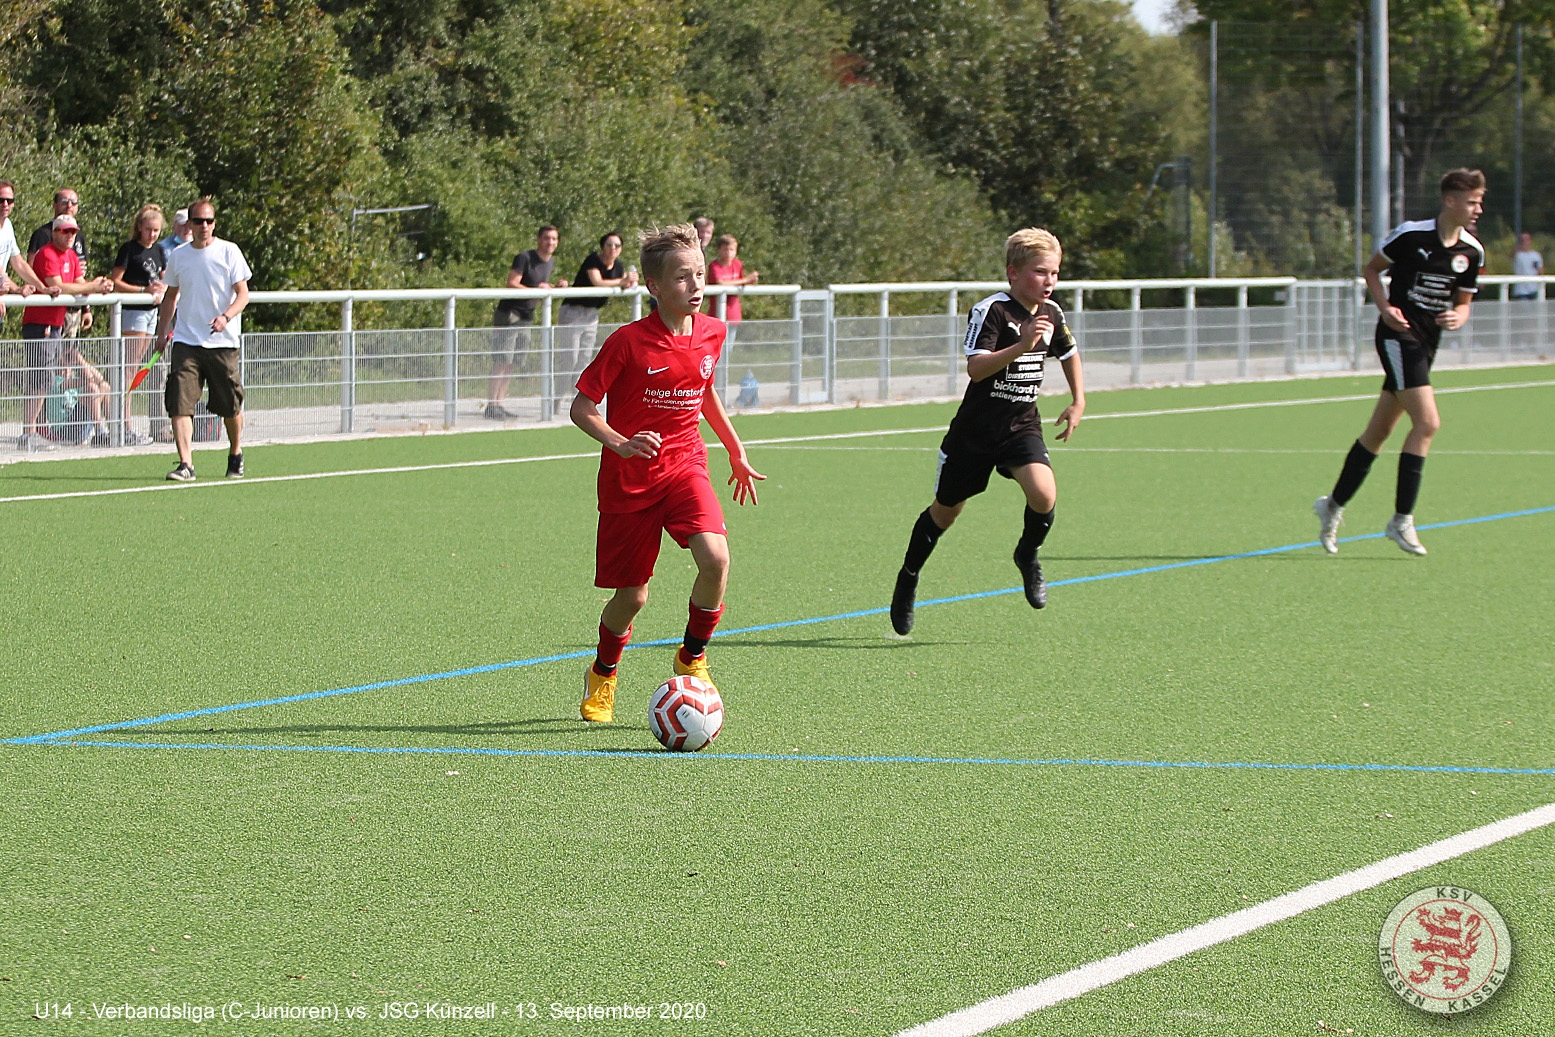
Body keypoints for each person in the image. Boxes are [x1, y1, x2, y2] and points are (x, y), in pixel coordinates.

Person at [570, 224, 765, 724]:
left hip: (685, 465)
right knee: (632, 596)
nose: (695, 285)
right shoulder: (627, 343)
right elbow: (582, 407)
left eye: (699, 274)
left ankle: (692, 657)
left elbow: (704, 389)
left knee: (716, 559)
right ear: (654, 286)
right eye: (682, 277)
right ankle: (603, 672)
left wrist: (735, 450)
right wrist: (620, 443)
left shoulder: (713, 332)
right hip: (629, 481)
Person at [888, 227, 1086, 635]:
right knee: (945, 512)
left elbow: (1068, 352)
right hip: (975, 434)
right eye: (1040, 272)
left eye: (1054, 272)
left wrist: (1078, 399)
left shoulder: (1053, 312)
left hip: (1021, 427)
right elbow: (976, 369)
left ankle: (1027, 554)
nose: (1049, 280)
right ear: (1013, 273)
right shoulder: (992, 310)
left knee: (1044, 493)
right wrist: (1022, 346)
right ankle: (908, 577)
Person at [1314, 168, 1486, 556]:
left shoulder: (1471, 252)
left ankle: (1332, 506)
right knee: (1428, 423)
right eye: (1472, 202)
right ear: (1450, 201)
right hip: (1397, 336)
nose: (1478, 209)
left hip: (1427, 344)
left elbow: (1464, 302)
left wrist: (1459, 316)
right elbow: (1372, 269)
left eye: (1480, 202)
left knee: (1378, 432)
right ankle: (1401, 519)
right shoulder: (1412, 235)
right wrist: (1385, 307)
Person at [154, 197, 251, 481]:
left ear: (214, 223)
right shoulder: (179, 256)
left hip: (222, 343)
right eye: (198, 221)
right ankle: (186, 464)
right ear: (190, 224)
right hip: (186, 341)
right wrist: (162, 333)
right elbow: (170, 297)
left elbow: (243, 294)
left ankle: (235, 453)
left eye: (209, 221)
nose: (204, 226)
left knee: (230, 405)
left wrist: (226, 317)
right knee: (179, 401)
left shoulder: (229, 251)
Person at [19, 215, 111, 452]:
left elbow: (79, 283)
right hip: (40, 325)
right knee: (41, 379)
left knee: (47, 379)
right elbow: (58, 284)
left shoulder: (71, 256)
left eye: (73, 232)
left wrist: (99, 286)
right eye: (64, 231)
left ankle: (31, 432)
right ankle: (28, 433)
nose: (70, 236)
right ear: (54, 232)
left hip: (55, 325)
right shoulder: (48, 254)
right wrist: (93, 286)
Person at [488, 225, 567, 420]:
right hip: (510, 314)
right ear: (539, 240)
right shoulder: (524, 258)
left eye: (554, 239)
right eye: (546, 238)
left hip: (526, 316)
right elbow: (512, 283)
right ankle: (491, 405)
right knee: (502, 360)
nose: (550, 242)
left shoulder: (550, 262)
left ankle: (499, 403)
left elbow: (538, 287)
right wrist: (535, 289)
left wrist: (555, 287)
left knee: (513, 362)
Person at [109, 204, 170, 446]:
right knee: (128, 367)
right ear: (139, 228)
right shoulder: (129, 249)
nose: (152, 235)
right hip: (134, 312)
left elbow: (164, 277)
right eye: (148, 230)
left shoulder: (159, 250)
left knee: (136, 368)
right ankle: (123, 424)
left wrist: (162, 289)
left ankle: (126, 424)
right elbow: (116, 281)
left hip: (152, 312)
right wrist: (143, 290)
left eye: (156, 230)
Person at [558, 232, 637, 385]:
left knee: (585, 358)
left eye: (617, 245)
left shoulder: (618, 266)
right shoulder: (593, 260)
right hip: (573, 311)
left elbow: (622, 283)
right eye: (609, 245)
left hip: (592, 314)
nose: (613, 248)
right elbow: (597, 281)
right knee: (569, 359)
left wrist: (629, 282)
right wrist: (622, 281)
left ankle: (576, 395)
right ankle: (557, 397)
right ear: (602, 246)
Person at [29, 188, 91, 338]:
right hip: (48, 312)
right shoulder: (43, 236)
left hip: (72, 308)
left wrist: (86, 308)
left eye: (73, 202)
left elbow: (80, 276)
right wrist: (94, 286)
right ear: (55, 205)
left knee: (69, 351)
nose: (69, 206)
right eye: (64, 201)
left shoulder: (77, 240)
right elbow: (31, 270)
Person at [0, 181, 55, 313]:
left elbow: (19, 263)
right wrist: (14, 289)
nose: (5, 204)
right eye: (1, 200)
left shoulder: (7, 226)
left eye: (9, 201)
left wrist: (42, 288)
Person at [707, 234, 758, 324]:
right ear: (719, 250)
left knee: (732, 333)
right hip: (716, 313)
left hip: (733, 313)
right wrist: (745, 280)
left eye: (732, 249)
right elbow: (720, 283)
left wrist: (751, 280)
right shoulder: (714, 266)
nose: (729, 253)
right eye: (725, 249)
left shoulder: (738, 264)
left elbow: (741, 282)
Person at [1511, 231, 1543, 301]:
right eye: (1522, 240)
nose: (1524, 242)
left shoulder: (1535, 255)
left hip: (1533, 289)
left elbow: (1540, 271)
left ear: (1530, 241)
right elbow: (1511, 255)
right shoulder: (1517, 255)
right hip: (1520, 291)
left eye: (1526, 240)